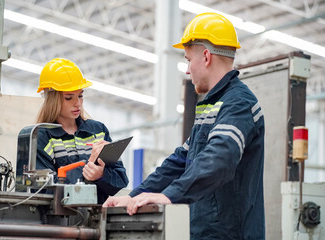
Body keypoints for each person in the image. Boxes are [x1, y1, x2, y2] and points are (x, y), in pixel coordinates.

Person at [103, 12, 265, 239]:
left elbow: (220, 159)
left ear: (206, 56)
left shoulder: (238, 104)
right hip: (202, 232)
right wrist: (135, 196)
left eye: (188, 60)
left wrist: (170, 195)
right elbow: (179, 162)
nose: (188, 70)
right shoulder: (212, 106)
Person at [35, 58, 129, 204]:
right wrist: (88, 168)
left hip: (95, 217)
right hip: (57, 221)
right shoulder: (42, 137)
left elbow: (121, 179)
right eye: (69, 97)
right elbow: (45, 189)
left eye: (80, 95)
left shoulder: (98, 131)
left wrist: (101, 175)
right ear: (52, 100)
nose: (77, 103)